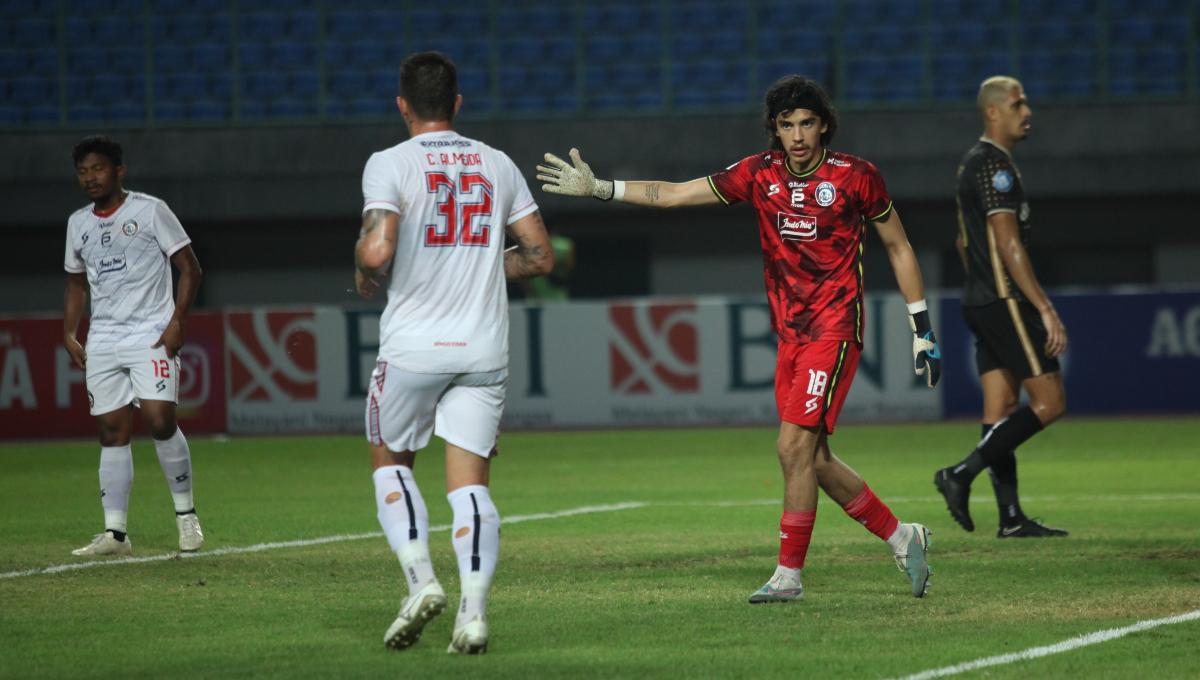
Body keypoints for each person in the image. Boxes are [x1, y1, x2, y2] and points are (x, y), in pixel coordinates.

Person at [537, 75, 941, 602]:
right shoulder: (759, 173)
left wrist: (922, 328)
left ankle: (788, 576)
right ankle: (901, 535)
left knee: (791, 446)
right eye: (786, 124)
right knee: (812, 460)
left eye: (807, 123)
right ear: (774, 129)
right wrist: (601, 188)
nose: (797, 135)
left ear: (824, 126)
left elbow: (900, 246)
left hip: (835, 328)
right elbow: (676, 194)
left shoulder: (856, 177)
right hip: (790, 336)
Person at [354, 51, 553, 654]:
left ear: (402, 105)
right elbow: (541, 256)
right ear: (458, 103)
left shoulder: (389, 163)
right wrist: (487, 268)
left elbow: (379, 251)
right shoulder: (495, 163)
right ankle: (472, 615)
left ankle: (419, 582)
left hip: (413, 347)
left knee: (391, 463)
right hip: (483, 349)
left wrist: (362, 256)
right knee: (470, 488)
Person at [933, 76, 1069, 538]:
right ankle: (959, 474)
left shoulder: (973, 163)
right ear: (993, 112)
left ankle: (1010, 518)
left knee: (1002, 406)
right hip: (1004, 298)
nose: (1026, 111)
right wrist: (1045, 308)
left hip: (978, 299)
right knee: (1049, 402)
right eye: (1018, 103)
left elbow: (961, 239)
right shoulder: (994, 167)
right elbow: (1009, 246)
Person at [63, 135, 205, 557]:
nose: (90, 177)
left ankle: (186, 517)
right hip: (104, 338)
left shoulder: (150, 210)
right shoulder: (78, 223)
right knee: (111, 430)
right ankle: (116, 535)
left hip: (150, 333)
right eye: (83, 171)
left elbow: (190, 269)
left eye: (98, 169)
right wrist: (69, 331)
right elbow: (74, 282)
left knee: (160, 420)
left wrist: (177, 321)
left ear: (118, 171)